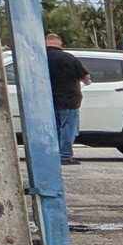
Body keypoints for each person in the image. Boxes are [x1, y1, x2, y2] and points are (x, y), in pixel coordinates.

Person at [44, 32, 86, 164]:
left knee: (53, 129)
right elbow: (87, 78)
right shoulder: (69, 58)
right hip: (69, 100)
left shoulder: (40, 57)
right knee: (68, 129)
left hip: (48, 100)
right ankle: (65, 156)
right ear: (60, 43)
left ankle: (54, 155)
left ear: (46, 42)